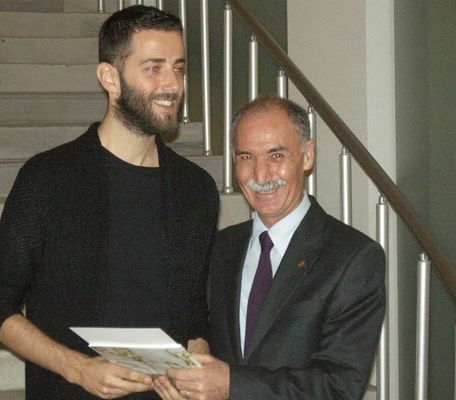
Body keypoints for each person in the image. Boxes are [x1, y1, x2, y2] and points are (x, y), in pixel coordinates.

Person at [0, 5, 219, 400]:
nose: (173, 85)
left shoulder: (196, 189)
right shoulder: (48, 178)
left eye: (179, 68)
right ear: (110, 78)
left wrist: (195, 367)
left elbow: (193, 314)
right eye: (153, 68)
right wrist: (79, 369)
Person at [153, 95, 386, 400]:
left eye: (276, 155)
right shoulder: (220, 248)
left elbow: (339, 386)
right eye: (246, 157)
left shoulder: (353, 258)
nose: (260, 175)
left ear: (307, 156)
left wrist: (232, 385)